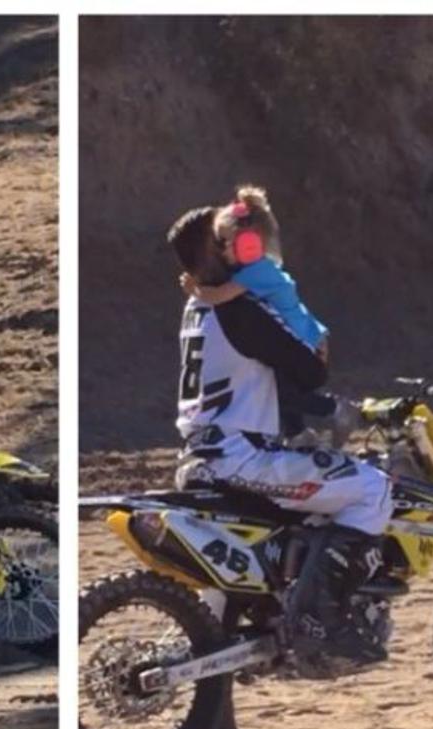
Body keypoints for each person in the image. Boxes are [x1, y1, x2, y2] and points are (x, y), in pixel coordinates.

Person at [167, 206, 393, 670]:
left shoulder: (197, 307)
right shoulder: (239, 310)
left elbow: (266, 381)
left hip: (199, 456)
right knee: (373, 489)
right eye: (227, 239)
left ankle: (263, 626)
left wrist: (322, 409)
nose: (241, 245)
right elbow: (308, 370)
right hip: (241, 456)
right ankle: (320, 621)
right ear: (217, 251)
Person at [179, 184, 359, 446]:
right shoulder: (255, 270)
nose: (221, 251)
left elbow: (219, 297)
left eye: (225, 243)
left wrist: (194, 289)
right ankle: (297, 434)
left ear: (249, 245)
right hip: (304, 333)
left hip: (306, 339)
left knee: (277, 392)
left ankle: (336, 410)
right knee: (274, 383)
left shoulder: (255, 273)